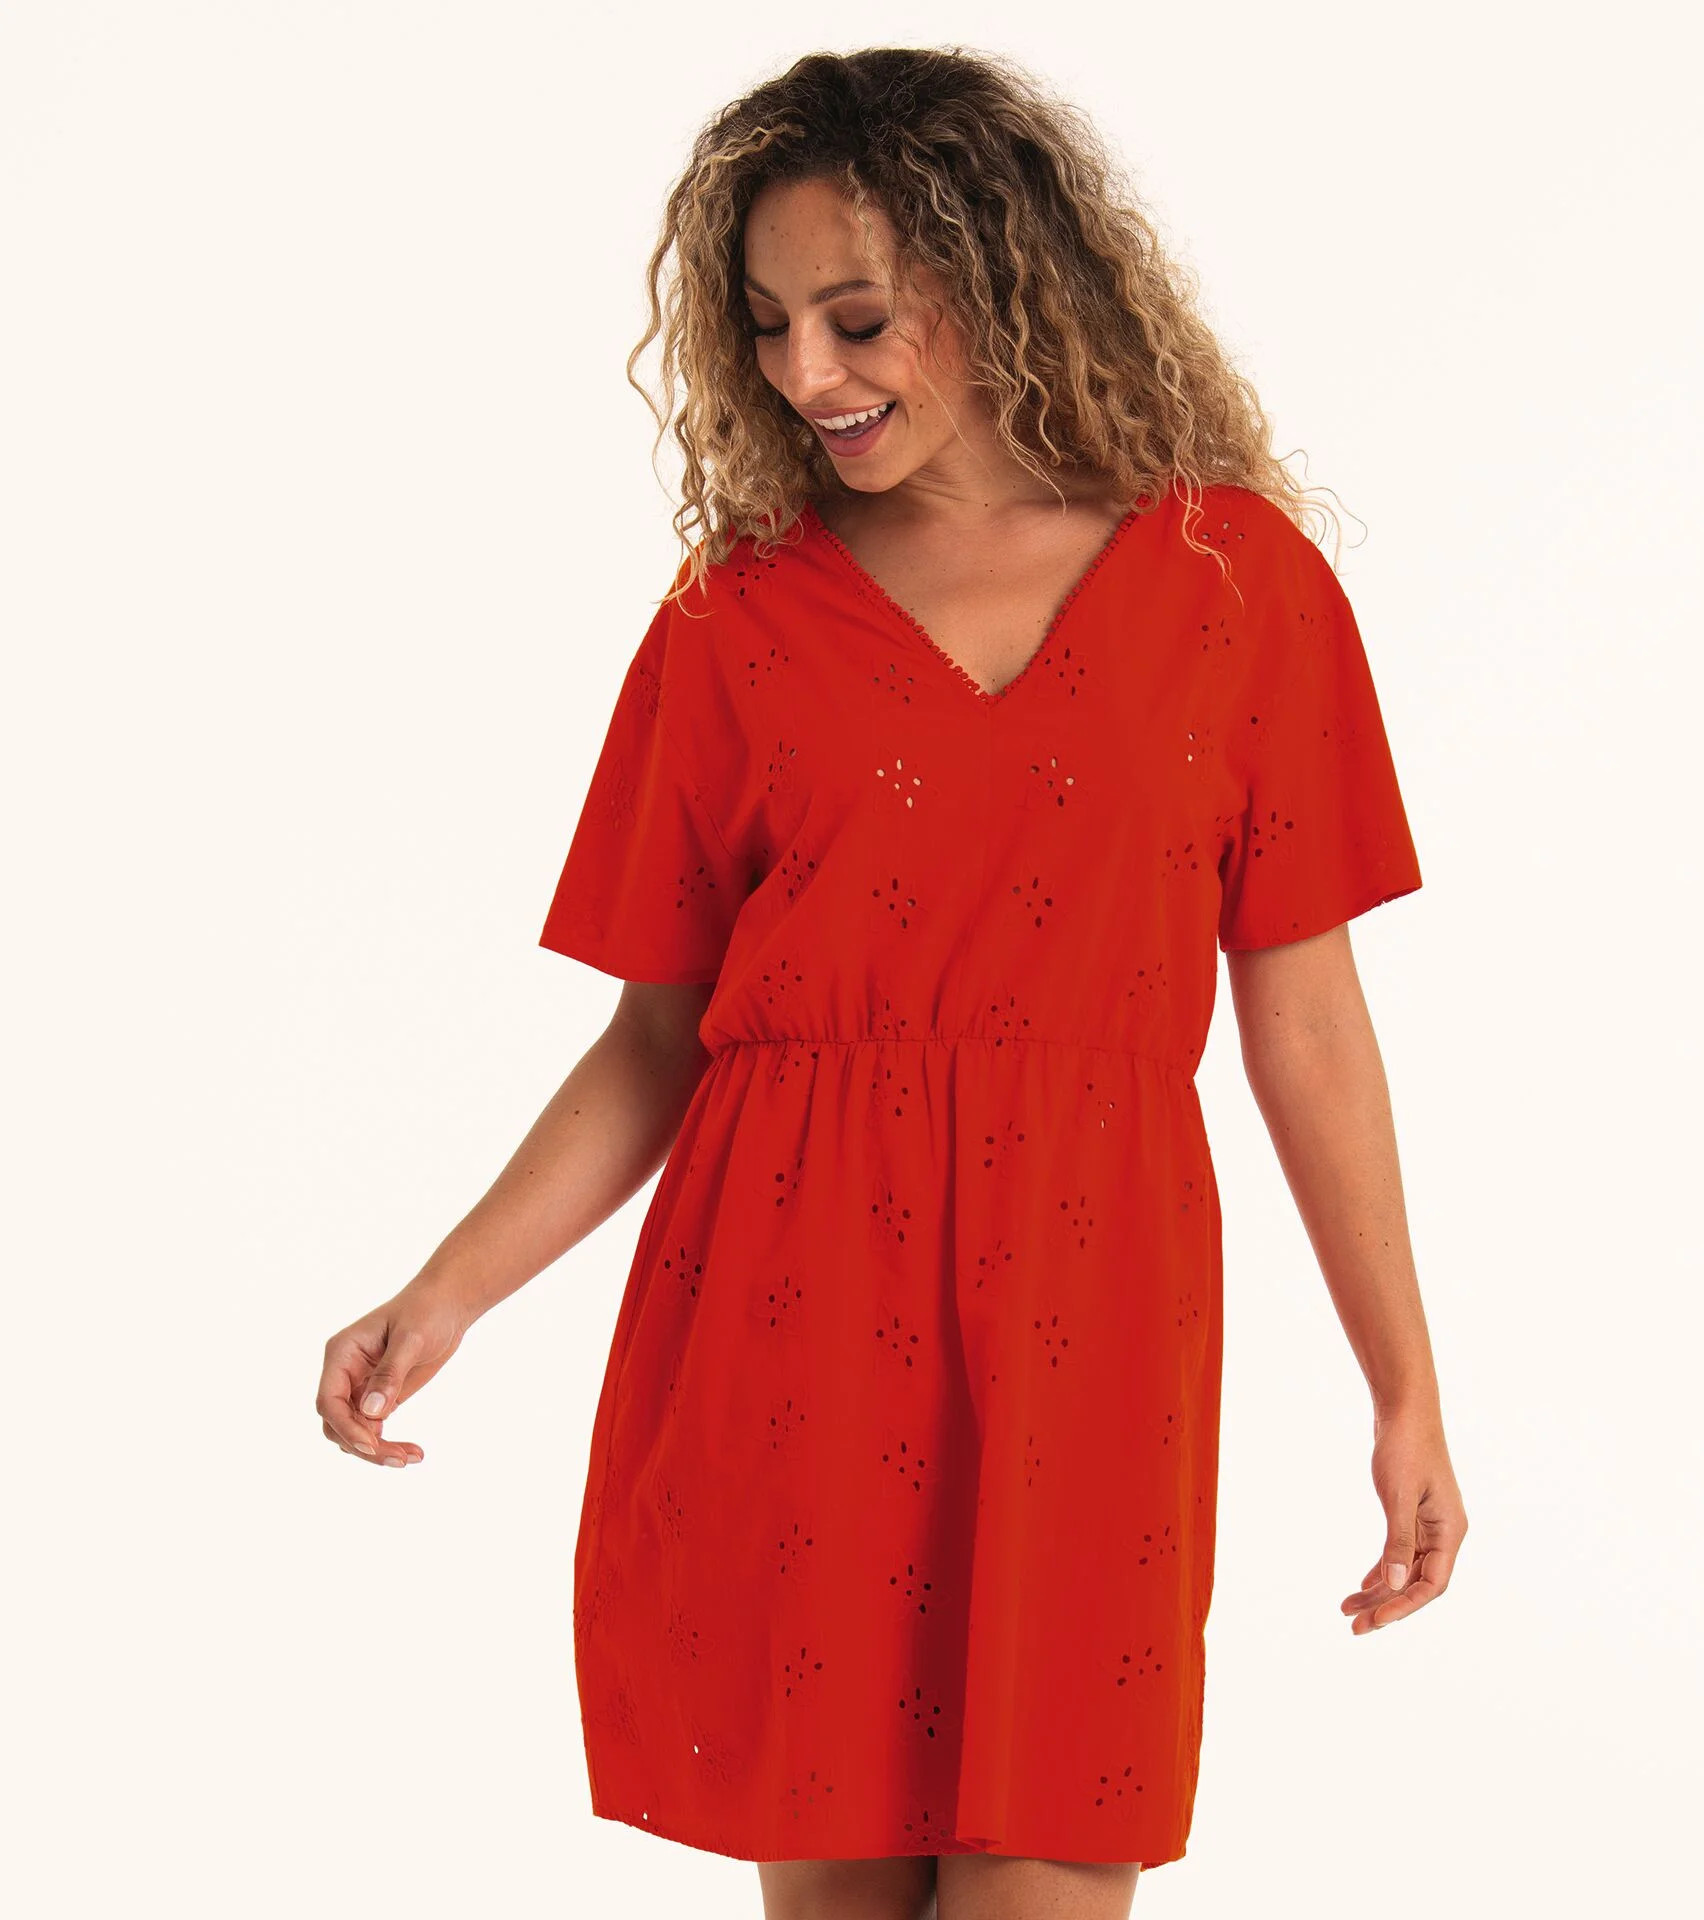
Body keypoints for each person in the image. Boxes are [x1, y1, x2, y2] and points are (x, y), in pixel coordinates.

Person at [315, 45, 1467, 1920]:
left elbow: (1310, 1021)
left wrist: (1403, 1386)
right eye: (768, 326)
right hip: (791, 1316)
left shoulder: (1235, 584)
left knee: (1051, 1868)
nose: (805, 374)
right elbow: (660, 1036)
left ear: (1005, 281)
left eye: (857, 320)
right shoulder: (734, 621)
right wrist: (445, 1290)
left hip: (1095, 1315)